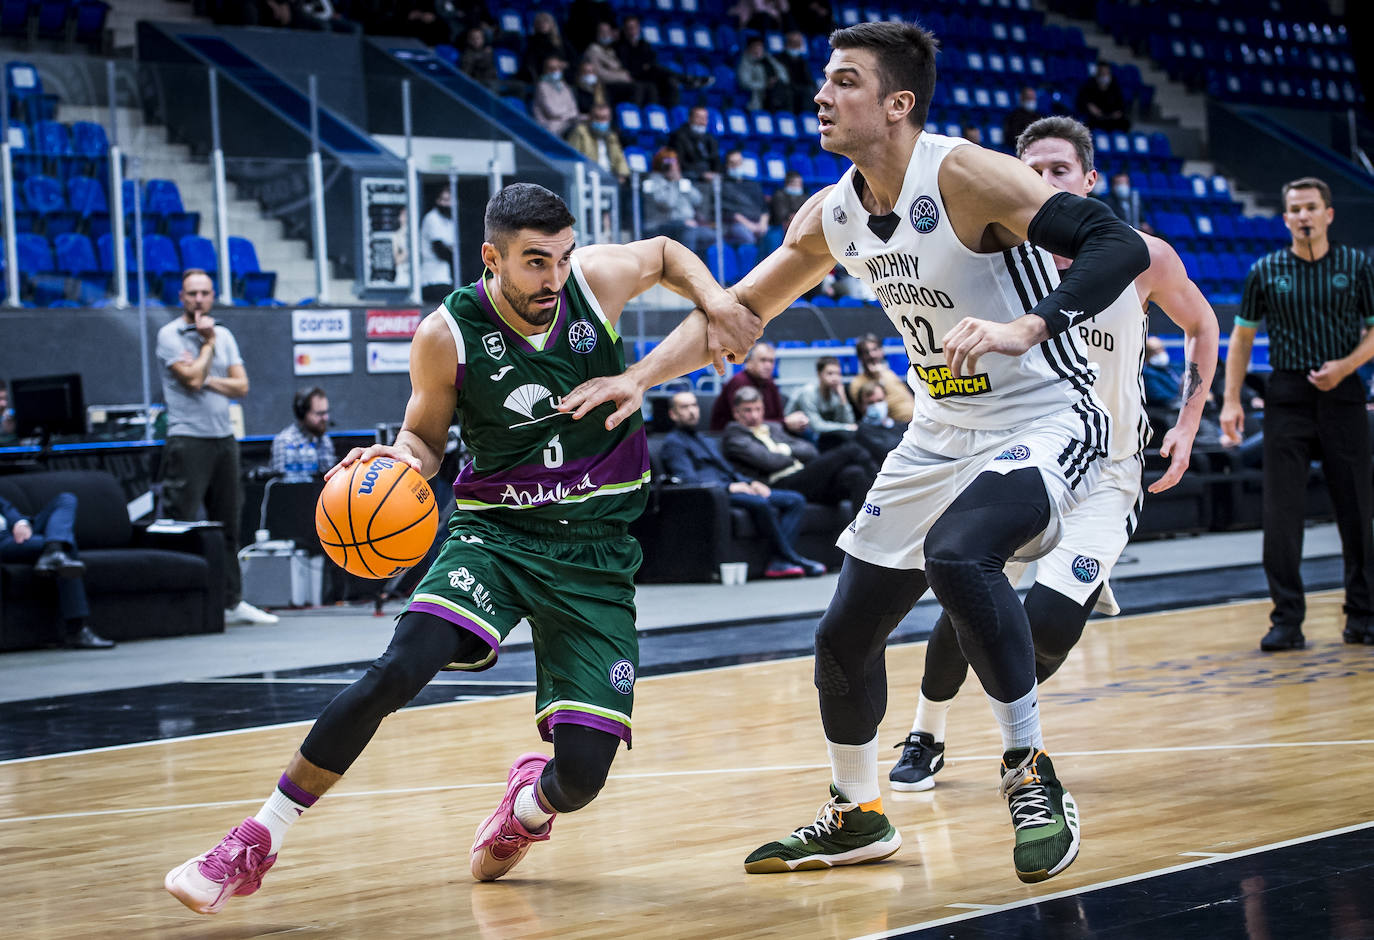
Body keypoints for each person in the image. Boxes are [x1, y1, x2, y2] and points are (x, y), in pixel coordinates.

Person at [558, 20, 1151, 882]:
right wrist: (640, 376)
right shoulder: (833, 212)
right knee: (843, 635)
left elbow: (1117, 243)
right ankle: (857, 813)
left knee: (959, 554)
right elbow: (740, 314)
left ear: (897, 102)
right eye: (824, 79)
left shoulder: (965, 173)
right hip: (940, 426)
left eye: (843, 81)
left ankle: (1030, 770)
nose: (822, 95)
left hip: (1046, 411)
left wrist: (1032, 323)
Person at [165, 183, 758, 915]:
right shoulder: (446, 333)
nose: (555, 277)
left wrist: (718, 297)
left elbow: (665, 253)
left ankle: (528, 808)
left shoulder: (593, 283)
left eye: (563, 258)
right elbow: (426, 439)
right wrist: (396, 462)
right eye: (536, 263)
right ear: (492, 257)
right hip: (496, 536)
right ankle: (258, 837)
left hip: (597, 554)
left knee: (582, 778)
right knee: (397, 668)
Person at [891, 115, 1218, 795]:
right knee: (966, 593)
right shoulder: (992, 260)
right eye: (1031, 171)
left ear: (1089, 181)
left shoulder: (1141, 255)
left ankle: (1072, 590)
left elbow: (1202, 323)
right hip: (1023, 454)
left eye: (1059, 171)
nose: (1043, 183)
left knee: (1041, 634)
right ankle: (927, 730)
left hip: (1107, 471)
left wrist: (1190, 418)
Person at [1220, 176, 1374, 651]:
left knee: (1358, 512)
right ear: (1285, 218)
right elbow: (1242, 339)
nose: (1303, 216)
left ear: (1328, 214)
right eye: (1295, 209)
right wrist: (1230, 401)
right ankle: (1286, 619)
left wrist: (1345, 366)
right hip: (1287, 394)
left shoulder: (1357, 265)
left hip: (1344, 394)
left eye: (1311, 207)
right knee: (1281, 514)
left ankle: (1363, 616)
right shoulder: (1265, 270)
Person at [157, 269, 279, 627]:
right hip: (188, 437)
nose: (198, 300)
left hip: (223, 438)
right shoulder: (170, 335)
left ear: (213, 297)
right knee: (180, 521)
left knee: (229, 522)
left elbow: (241, 386)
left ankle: (232, 601)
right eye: (192, 293)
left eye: (205, 293)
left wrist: (208, 372)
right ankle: (175, 602)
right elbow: (191, 379)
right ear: (181, 297)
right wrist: (207, 345)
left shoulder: (225, 334)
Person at [661, 390, 825, 577]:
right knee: (761, 503)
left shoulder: (703, 439)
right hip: (717, 494)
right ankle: (790, 557)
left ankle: (779, 560)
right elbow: (688, 480)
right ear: (673, 414)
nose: (692, 411)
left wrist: (751, 482)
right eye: (684, 407)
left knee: (795, 500)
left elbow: (729, 470)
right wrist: (729, 487)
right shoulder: (673, 444)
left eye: (694, 405)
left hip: (735, 487)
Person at [722, 386, 875, 509]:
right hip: (779, 484)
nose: (754, 415)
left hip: (803, 477)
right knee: (850, 450)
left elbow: (810, 451)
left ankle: (864, 540)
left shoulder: (772, 427)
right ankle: (885, 488)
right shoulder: (734, 434)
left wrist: (785, 450)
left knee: (856, 474)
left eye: (758, 409)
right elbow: (768, 462)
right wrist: (791, 456)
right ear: (736, 413)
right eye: (748, 410)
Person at [0, 488, 114, 649]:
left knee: (66, 499)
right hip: (3, 541)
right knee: (67, 544)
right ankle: (76, 629)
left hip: (17, 529)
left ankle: (53, 550)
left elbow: (6, 507)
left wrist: (19, 523)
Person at [709, 341, 808, 433]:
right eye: (763, 360)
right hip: (733, 437)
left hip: (765, 433)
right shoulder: (738, 382)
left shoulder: (770, 383)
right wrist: (785, 423)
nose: (768, 366)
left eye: (771, 361)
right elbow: (748, 423)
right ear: (749, 362)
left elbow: (778, 416)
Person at [641, 147, 715, 255]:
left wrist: (680, 180)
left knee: (710, 235)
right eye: (668, 163)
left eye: (674, 163)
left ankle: (701, 267)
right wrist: (672, 183)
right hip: (663, 224)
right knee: (688, 230)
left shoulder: (680, 180)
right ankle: (687, 267)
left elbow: (697, 200)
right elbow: (668, 204)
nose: (673, 167)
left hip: (686, 223)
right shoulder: (653, 181)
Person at [786, 355, 857, 446]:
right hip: (798, 433)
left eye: (838, 374)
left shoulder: (835, 392)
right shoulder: (808, 393)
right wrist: (846, 427)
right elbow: (816, 426)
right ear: (819, 374)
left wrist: (843, 399)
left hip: (821, 434)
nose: (835, 378)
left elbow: (848, 422)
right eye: (830, 373)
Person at [270, 387, 336, 483]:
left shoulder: (325, 440)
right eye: (320, 413)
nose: (325, 418)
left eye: (326, 412)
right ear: (302, 413)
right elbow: (279, 485)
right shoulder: (284, 441)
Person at [846, 334, 914, 426]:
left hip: (915, 421)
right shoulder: (857, 382)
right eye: (866, 352)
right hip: (895, 427)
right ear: (860, 357)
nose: (872, 355)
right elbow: (868, 412)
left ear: (881, 351)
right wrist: (878, 376)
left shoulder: (888, 372)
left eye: (875, 350)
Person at [566, 102, 630, 183]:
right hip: (587, 179)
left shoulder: (612, 136)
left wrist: (622, 175)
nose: (601, 121)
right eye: (597, 118)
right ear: (590, 118)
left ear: (609, 119)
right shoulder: (580, 132)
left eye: (604, 118)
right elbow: (572, 157)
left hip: (610, 179)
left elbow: (620, 158)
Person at [720, 149, 770, 246]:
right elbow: (730, 213)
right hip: (736, 224)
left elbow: (764, 209)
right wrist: (751, 226)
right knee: (748, 238)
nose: (736, 166)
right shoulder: (724, 185)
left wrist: (763, 224)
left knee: (772, 237)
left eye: (739, 163)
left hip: (758, 223)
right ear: (727, 165)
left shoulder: (752, 184)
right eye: (732, 163)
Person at [419, 187, 457, 303]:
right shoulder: (432, 218)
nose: (447, 204)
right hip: (433, 278)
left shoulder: (450, 221)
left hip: (445, 276)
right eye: (443, 200)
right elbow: (441, 250)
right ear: (437, 201)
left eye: (449, 200)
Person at [737, 35, 792, 112]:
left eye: (760, 46)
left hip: (777, 89)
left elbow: (782, 72)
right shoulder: (745, 62)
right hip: (760, 94)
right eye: (755, 46)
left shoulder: (768, 58)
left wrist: (777, 80)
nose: (758, 49)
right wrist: (765, 84)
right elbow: (744, 82)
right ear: (749, 48)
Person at [667, 106, 722, 182]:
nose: (702, 122)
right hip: (689, 176)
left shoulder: (710, 138)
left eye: (705, 118)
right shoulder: (678, 136)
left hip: (708, 177)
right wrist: (701, 174)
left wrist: (715, 173)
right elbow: (678, 162)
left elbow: (715, 159)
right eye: (699, 118)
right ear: (690, 119)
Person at [531, 56, 580, 139]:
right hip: (550, 125)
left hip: (566, 122)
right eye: (552, 69)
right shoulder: (542, 86)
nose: (555, 71)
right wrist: (569, 114)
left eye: (558, 68)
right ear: (545, 70)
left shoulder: (564, 85)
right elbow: (553, 112)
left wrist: (569, 115)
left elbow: (574, 109)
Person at [1077, 61, 1129, 132]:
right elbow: (1083, 100)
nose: (1105, 76)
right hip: (1095, 117)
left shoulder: (1114, 86)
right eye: (1102, 73)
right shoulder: (1089, 84)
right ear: (1098, 73)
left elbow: (1120, 104)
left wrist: (1118, 112)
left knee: (1125, 123)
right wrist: (1090, 106)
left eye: (1107, 73)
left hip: (1110, 117)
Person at [780, 30, 819, 114]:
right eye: (793, 44)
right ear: (787, 44)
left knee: (810, 91)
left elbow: (808, 78)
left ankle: (807, 117)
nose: (796, 47)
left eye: (798, 44)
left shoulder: (802, 60)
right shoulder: (780, 59)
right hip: (788, 86)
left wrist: (815, 88)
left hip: (802, 88)